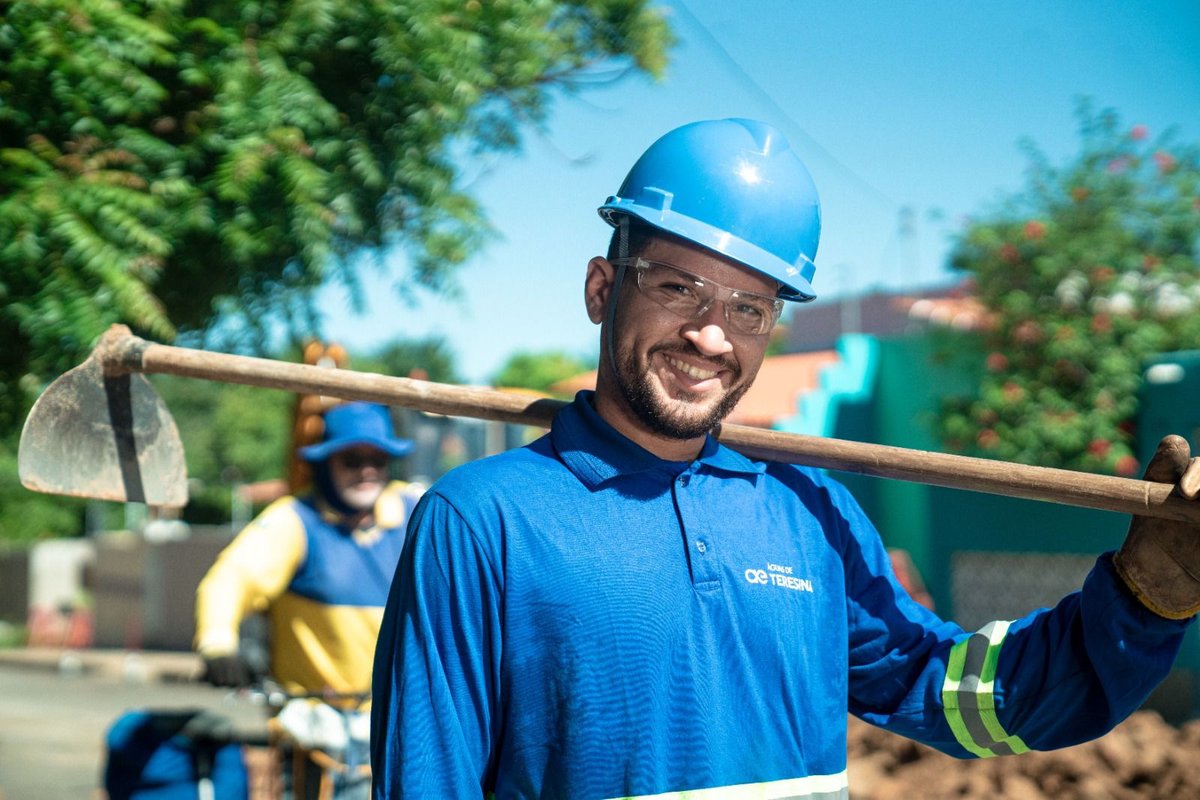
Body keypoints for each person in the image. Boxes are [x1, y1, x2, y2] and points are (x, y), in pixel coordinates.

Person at [370, 118, 1200, 799]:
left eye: (748, 308)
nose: (709, 335)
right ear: (601, 288)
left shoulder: (810, 513)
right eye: (675, 286)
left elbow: (964, 700)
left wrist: (1145, 600)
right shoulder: (481, 521)